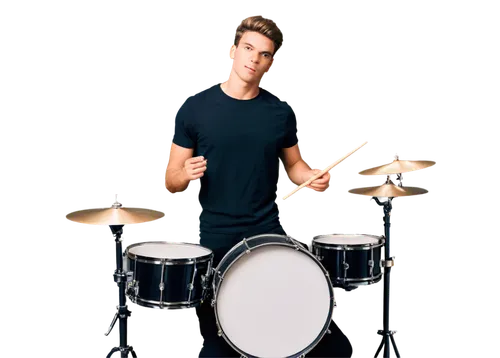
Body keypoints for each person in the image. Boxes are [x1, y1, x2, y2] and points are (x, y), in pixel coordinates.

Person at [163, 13, 352, 357]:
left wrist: (312, 177)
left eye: (264, 54)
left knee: (303, 335)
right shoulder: (194, 109)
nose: (254, 58)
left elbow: (294, 165)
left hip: (268, 236)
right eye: (248, 48)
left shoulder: (280, 114)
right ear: (232, 51)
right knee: (224, 344)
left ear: (271, 63)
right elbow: (171, 181)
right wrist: (184, 174)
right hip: (217, 240)